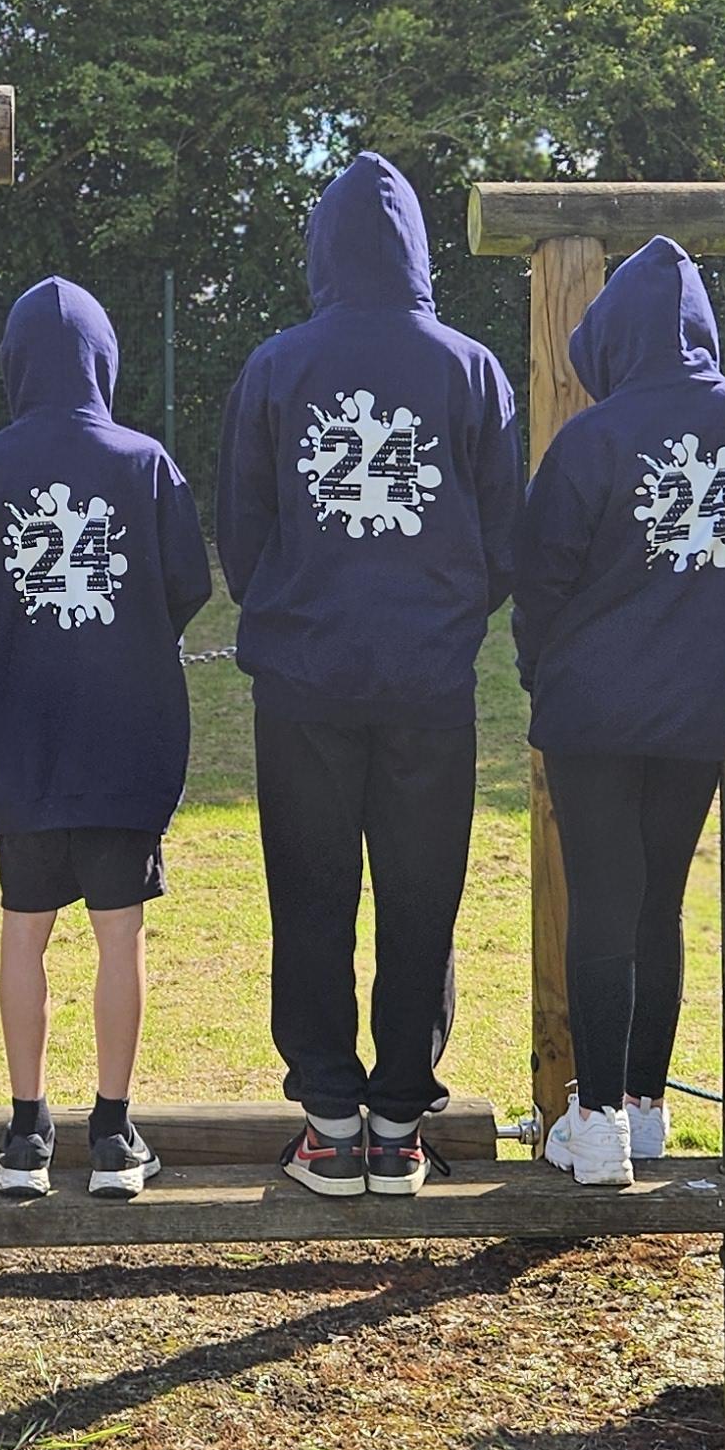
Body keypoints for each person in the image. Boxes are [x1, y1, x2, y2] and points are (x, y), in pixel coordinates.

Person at [217, 153, 523, 1197]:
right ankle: (398, 1122)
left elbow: (242, 529)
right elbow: (505, 534)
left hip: (301, 681)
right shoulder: (471, 369)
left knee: (308, 894)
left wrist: (293, 604)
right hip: (429, 682)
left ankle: (327, 1119)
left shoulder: (274, 366)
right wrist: (446, 613)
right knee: (420, 896)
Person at [510, 238, 725, 1182]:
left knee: (603, 902)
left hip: (588, 710)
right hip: (695, 709)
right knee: (658, 902)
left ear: (612, 337)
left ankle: (595, 1122)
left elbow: (539, 583)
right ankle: (645, 1109)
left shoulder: (591, 438)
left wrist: (545, 672)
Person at [0, 280, 213, 1203]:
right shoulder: (145, 463)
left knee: (23, 931)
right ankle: (112, 1130)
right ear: (105, 358)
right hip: (129, 738)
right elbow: (187, 585)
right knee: (118, 934)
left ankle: (25, 1131)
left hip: (22, 738)